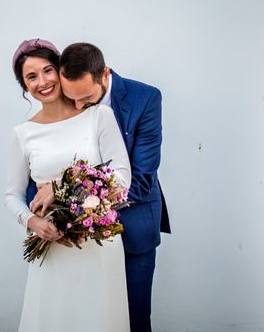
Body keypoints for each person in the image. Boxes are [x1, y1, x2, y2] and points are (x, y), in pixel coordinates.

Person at [29, 42, 170, 332]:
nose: (78, 107)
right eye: (72, 99)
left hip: (134, 227)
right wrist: (40, 213)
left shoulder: (145, 99)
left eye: (86, 99)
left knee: (133, 320)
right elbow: (45, 163)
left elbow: (141, 180)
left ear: (104, 74)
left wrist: (65, 193)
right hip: (74, 237)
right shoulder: (67, 98)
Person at [4, 38, 132, 332]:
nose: (43, 82)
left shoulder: (99, 116)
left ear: (60, 71)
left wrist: (60, 188)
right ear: (24, 87)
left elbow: (121, 177)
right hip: (53, 245)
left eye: (48, 70)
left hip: (99, 244)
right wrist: (34, 222)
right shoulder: (24, 134)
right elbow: (12, 194)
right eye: (31, 77)